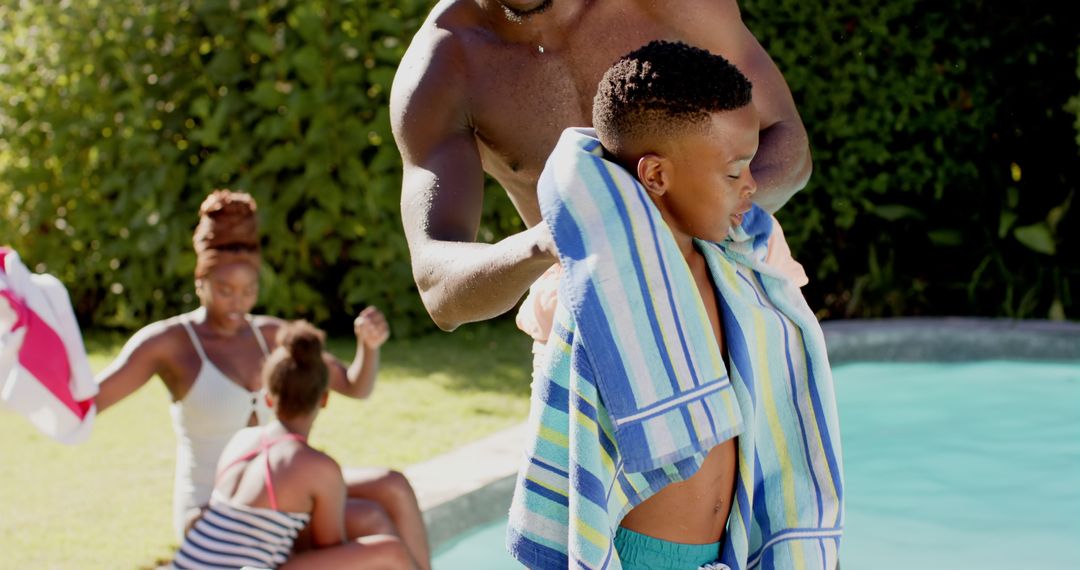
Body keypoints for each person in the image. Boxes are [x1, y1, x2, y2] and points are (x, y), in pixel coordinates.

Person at [506, 41, 843, 569]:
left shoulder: (741, 268)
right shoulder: (594, 296)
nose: (753, 187)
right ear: (656, 175)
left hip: (724, 554)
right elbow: (567, 444)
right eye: (734, 173)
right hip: (638, 556)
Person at [391, 0, 811, 337]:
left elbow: (789, 145)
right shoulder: (442, 66)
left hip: (738, 296)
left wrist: (679, 228)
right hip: (592, 326)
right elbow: (438, 287)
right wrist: (553, 239)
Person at [94, 190, 430, 569]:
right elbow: (88, 402)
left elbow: (354, 386)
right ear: (199, 281)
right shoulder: (169, 343)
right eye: (225, 291)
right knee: (369, 520)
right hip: (214, 510)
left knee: (392, 485)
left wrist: (368, 347)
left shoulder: (270, 335)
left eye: (249, 291)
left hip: (280, 487)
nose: (238, 303)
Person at [173, 320, 413, 569]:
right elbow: (330, 551)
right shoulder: (318, 467)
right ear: (324, 399)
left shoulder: (242, 439)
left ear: (267, 398)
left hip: (188, 563)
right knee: (391, 552)